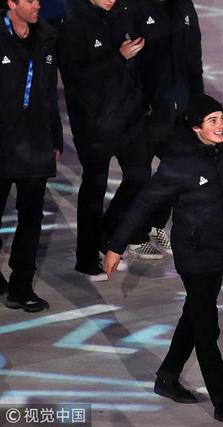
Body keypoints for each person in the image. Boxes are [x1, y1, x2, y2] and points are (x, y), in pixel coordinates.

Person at [103, 43, 223, 422]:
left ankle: (167, 376)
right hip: (195, 256)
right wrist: (115, 246)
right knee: (206, 326)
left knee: (195, 315)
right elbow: (142, 204)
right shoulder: (179, 164)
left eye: (221, 117)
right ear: (195, 128)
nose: (221, 124)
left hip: (222, 249)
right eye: (211, 121)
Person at [57, 0, 160, 282]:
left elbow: (142, 62)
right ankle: (86, 256)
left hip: (131, 118)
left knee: (139, 177)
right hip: (94, 124)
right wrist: (118, 57)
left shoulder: (127, 14)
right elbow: (75, 77)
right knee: (95, 187)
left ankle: (107, 233)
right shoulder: (73, 25)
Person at [0, 0, 63, 312]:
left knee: (31, 219)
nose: (37, 4)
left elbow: (50, 92)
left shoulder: (47, 36)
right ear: (11, 3)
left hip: (36, 143)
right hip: (2, 143)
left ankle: (21, 286)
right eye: (29, 0)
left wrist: (56, 137)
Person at [132, 0, 205, 255]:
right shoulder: (134, 7)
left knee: (178, 171)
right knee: (138, 177)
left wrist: (199, 106)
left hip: (179, 109)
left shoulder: (184, 6)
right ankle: (134, 235)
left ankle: (156, 224)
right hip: (144, 112)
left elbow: (194, 61)